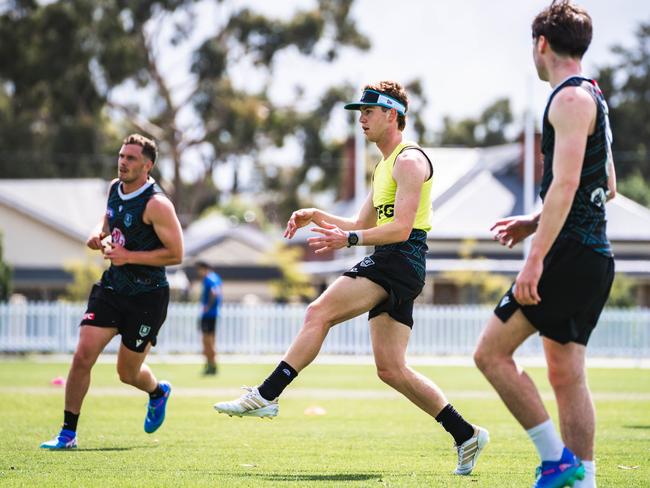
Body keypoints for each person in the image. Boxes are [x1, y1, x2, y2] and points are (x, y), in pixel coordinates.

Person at [214, 81, 489, 475]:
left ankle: (267, 394)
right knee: (391, 369)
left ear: (392, 114)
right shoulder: (384, 165)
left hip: (399, 259)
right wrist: (317, 215)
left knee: (317, 312)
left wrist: (350, 239)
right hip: (397, 263)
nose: (361, 119)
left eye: (368, 112)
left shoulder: (409, 161)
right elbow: (362, 223)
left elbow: (400, 228)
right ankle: (466, 434)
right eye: (359, 112)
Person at [473, 2, 616, 487]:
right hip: (593, 255)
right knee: (566, 374)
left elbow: (567, 183)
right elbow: (607, 184)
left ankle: (557, 460)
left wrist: (534, 260)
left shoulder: (568, 99)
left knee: (490, 354)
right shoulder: (593, 95)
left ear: (541, 44)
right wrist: (533, 223)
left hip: (569, 254)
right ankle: (584, 481)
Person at [40, 134, 184, 449]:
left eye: (131, 158)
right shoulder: (114, 189)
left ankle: (158, 392)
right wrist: (97, 234)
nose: (123, 162)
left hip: (147, 296)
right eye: (121, 156)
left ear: (148, 166)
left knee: (127, 373)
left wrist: (129, 256)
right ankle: (68, 434)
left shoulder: (157, 204)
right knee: (82, 355)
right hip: (112, 287)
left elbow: (176, 254)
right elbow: (108, 219)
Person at [196, 260, 223, 375]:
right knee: (210, 341)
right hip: (214, 314)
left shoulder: (209, 279)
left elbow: (214, 293)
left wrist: (208, 306)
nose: (199, 272)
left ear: (203, 268)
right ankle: (211, 365)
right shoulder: (216, 277)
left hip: (208, 315)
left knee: (207, 341)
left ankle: (211, 366)